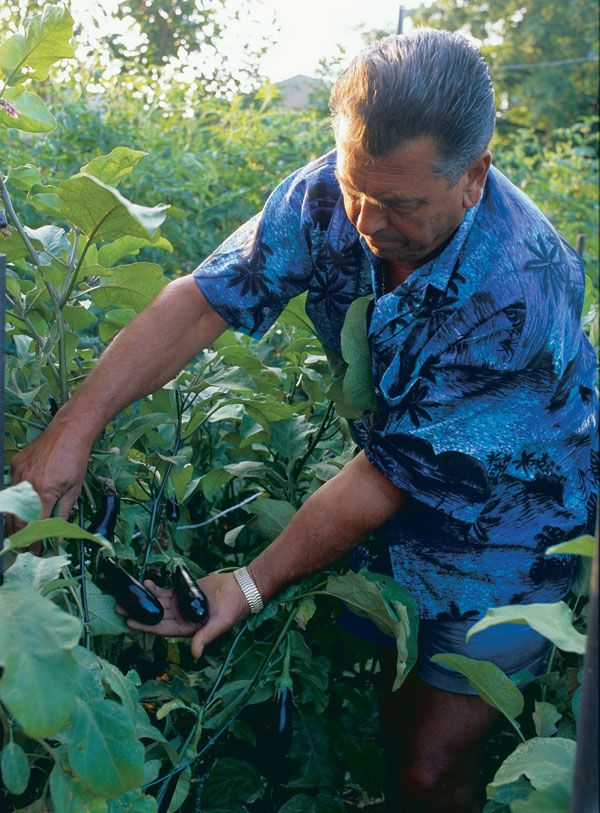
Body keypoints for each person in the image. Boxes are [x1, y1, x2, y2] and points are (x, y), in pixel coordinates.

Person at [9, 29, 597, 812]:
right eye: (358, 186)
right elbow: (206, 296)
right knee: (391, 695)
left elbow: (385, 477)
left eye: (400, 204)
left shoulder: (516, 286)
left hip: (515, 525)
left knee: (431, 764)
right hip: (393, 482)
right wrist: (71, 431)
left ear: (473, 178)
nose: (367, 220)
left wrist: (246, 585)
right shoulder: (331, 192)